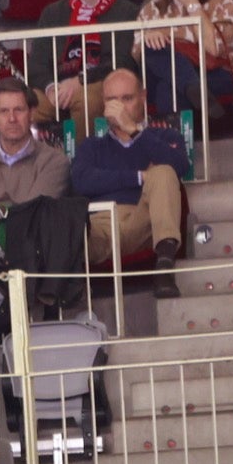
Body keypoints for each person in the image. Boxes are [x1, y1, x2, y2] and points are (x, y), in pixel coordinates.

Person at [73, 68, 188, 298]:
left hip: (145, 219)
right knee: (68, 228)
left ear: (143, 97)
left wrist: (134, 131)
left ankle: (165, 266)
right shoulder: (91, 146)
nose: (120, 107)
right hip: (102, 225)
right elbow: (81, 182)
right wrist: (138, 177)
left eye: (127, 98)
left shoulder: (166, 137)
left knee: (164, 171)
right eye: (111, 100)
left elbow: (179, 167)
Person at [28, 0, 142, 131]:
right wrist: (52, 88)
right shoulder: (53, 13)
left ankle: (82, 161)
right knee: (19, 106)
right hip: (58, 90)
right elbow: (36, 64)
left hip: (102, 86)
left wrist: (80, 81)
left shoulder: (128, 11)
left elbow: (123, 61)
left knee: (85, 99)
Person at [0, 78, 72, 207]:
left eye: (19, 110)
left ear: (31, 113)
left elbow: (33, 213)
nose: (12, 118)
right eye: (4, 111)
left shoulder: (54, 161)